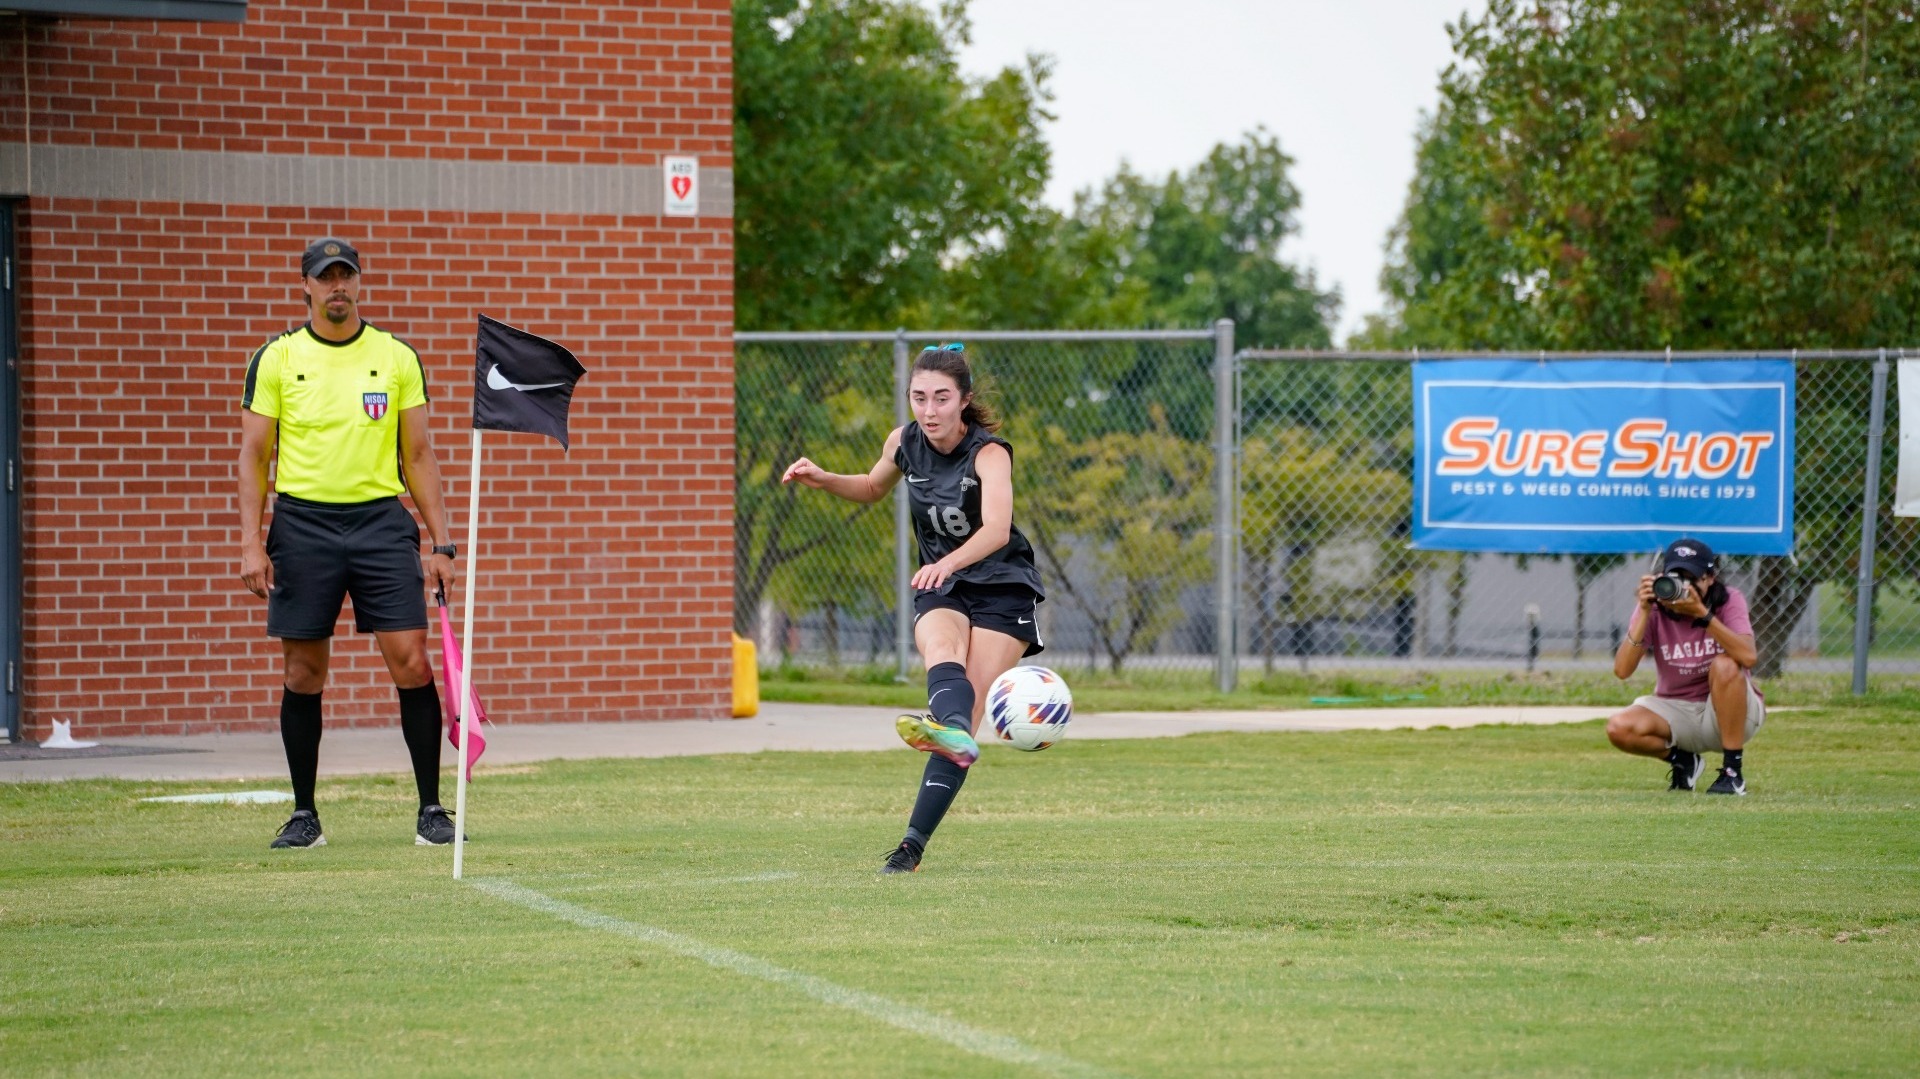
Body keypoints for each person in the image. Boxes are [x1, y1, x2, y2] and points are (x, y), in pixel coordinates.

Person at [781, 343, 1046, 873]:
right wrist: (823, 478)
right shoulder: (902, 441)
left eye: (941, 398)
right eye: (919, 397)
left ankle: (913, 843)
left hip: (1001, 586)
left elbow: (997, 530)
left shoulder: (990, 453)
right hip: (944, 584)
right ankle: (948, 736)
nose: (929, 410)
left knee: (970, 706)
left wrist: (946, 563)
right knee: (942, 651)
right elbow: (871, 486)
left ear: (964, 400)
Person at [238, 237, 461, 848]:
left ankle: (431, 812)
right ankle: (304, 816)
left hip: (380, 523)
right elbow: (254, 456)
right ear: (306, 286)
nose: (337, 285)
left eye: (346, 274)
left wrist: (442, 544)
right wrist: (252, 543)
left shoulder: (396, 357)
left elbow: (419, 454)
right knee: (303, 671)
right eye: (325, 276)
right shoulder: (276, 358)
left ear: (359, 282)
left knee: (412, 661)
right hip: (302, 525)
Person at [1607, 537, 1765, 795]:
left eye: (1691, 579)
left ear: (1710, 578)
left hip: (1730, 711)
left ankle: (1732, 773)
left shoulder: (1728, 600)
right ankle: (1684, 761)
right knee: (1619, 728)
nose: (1683, 586)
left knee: (1725, 665)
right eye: (1677, 577)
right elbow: (1622, 670)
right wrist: (1644, 610)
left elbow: (1748, 657)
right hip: (1678, 708)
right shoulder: (1654, 606)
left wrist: (1703, 614)